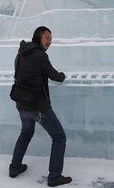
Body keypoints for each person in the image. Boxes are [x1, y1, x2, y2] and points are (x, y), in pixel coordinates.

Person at [9, 26, 72, 187]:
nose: (49, 42)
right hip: (37, 107)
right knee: (59, 137)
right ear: (38, 37)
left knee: (26, 133)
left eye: (51, 39)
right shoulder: (40, 56)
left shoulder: (21, 53)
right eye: (47, 38)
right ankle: (54, 177)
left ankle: (15, 167)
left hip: (21, 104)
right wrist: (63, 75)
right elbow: (55, 76)